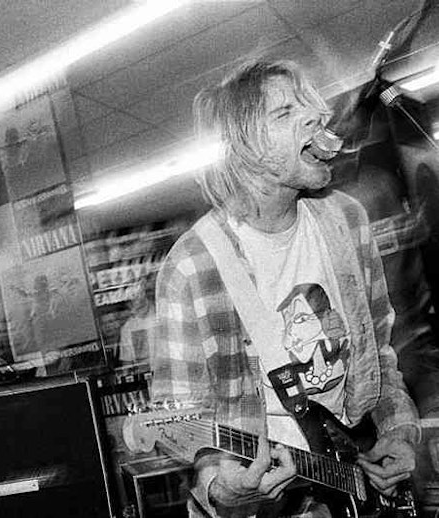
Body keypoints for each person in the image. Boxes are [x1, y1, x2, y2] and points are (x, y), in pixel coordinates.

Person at [142, 60, 420, 517]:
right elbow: (180, 424)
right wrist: (225, 491)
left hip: (361, 480)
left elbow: (380, 355)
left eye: (310, 105)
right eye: (285, 113)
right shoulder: (191, 266)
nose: (316, 116)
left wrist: (398, 430)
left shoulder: (347, 221)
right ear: (242, 147)